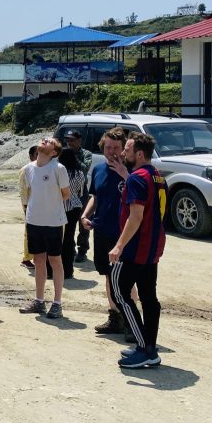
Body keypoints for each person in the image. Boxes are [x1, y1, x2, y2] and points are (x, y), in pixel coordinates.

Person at [110, 133, 167, 369]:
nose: (123, 153)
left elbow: (136, 216)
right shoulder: (157, 176)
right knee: (149, 298)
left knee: (120, 292)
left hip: (136, 248)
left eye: (128, 149)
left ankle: (145, 348)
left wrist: (119, 245)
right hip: (153, 246)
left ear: (140, 154)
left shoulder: (137, 178)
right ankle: (149, 347)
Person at [81, 127, 130, 335]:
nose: (112, 152)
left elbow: (141, 196)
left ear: (124, 149)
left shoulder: (132, 171)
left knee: (125, 278)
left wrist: (125, 174)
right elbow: (95, 196)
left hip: (123, 233)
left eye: (116, 148)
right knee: (109, 276)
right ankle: (115, 317)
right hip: (101, 230)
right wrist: (85, 215)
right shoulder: (99, 169)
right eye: (108, 147)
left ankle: (131, 321)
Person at [18, 138, 70, 319]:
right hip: (34, 221)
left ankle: (57, 303)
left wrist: (49, 204)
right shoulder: (28, 169)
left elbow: (66, 194)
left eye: (50, 141)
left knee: (55, 260)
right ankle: (39, 301)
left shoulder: (58, 168)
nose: (45, 140)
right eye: (44, 139)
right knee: (38, 260)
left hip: (54, 222)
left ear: (54, 152)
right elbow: (27, 193)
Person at [57, 147, 87, 279]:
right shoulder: (79, 173)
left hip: (59, 206)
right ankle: (68, 270)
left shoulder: (58, 172)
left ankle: (53, 269)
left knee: (56, 238)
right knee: (69, 239)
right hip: (74, 207)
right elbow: (80, 192)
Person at [64, 130, 93, 262]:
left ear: (79, 141)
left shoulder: (86, 154)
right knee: (68, 222)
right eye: (67, 140)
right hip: (67, 191)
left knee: (83, 221)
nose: (69, 143)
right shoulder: (64, 153)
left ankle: (82, 249)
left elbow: (85, 168)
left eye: (72, 140)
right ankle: (70, 248)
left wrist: (72, 156)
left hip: (81, 192)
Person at [18, 145, 38, 270]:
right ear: (31, 156)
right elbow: (23, 191)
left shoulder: (42, 169)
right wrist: (26, 208)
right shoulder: (25, 170)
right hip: (30, 206)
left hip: (40, 206)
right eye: (37, 154)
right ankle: (26, 259)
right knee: (29, 233)